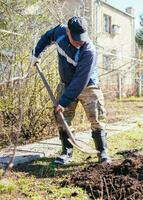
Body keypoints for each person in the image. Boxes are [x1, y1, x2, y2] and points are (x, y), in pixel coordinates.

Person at [31, 16, 111, 165]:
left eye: (82, 37)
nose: (79, 41)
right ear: (67, 31)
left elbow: (80, 80)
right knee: (62, 118)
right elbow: (47, 37)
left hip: (88, 84)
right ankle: (66, 152)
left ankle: (102, 152)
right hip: (66, 83)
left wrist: (63, 101)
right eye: (75, 38)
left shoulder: (89, 51)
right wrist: (36, 54)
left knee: (97, 116)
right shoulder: (59, 32)